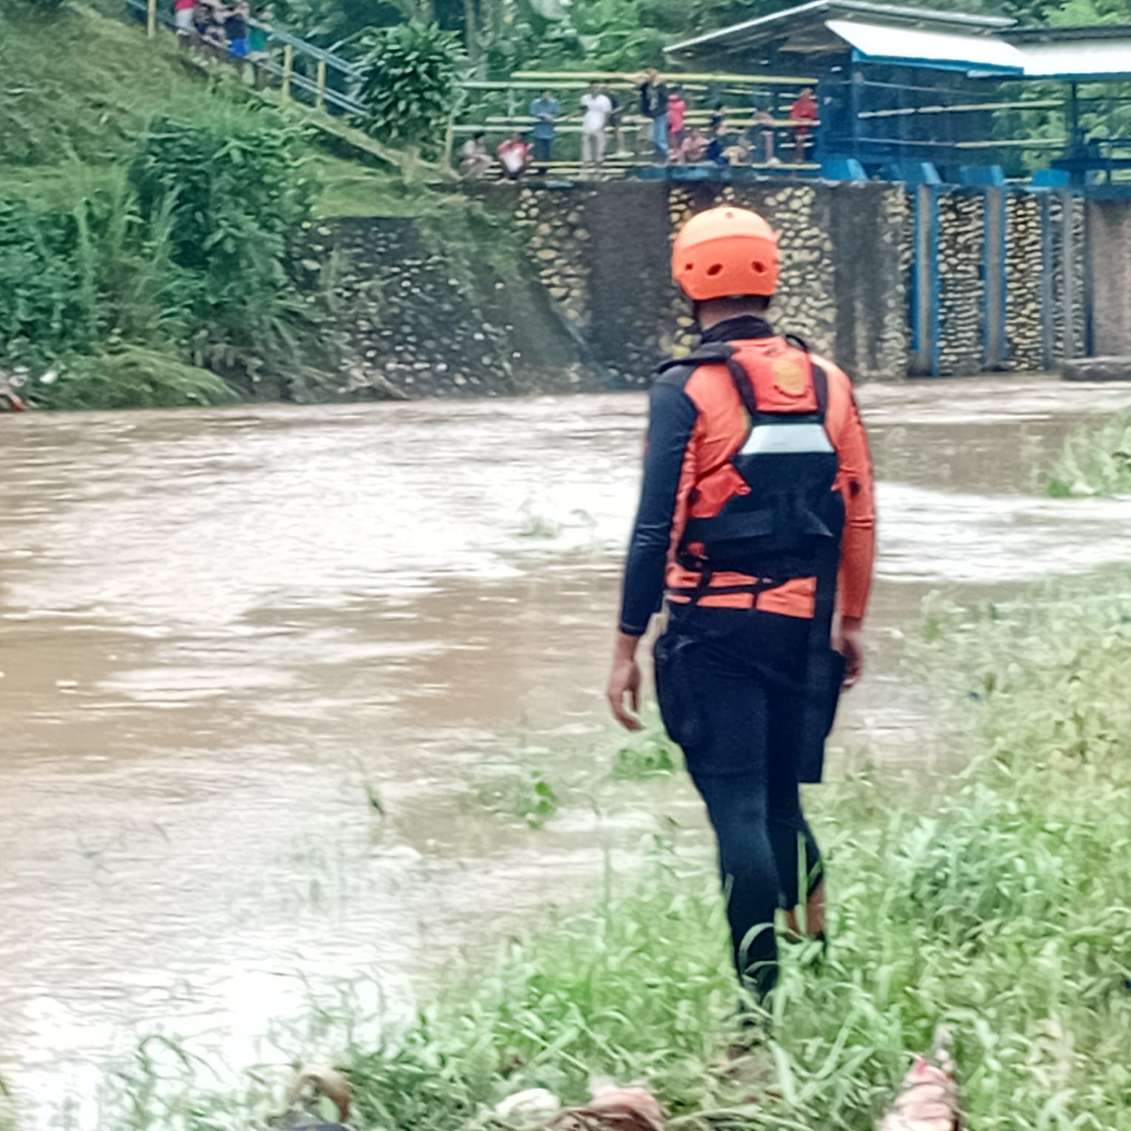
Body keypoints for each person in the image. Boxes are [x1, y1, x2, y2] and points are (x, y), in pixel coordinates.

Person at [606, 206, 876, 1011]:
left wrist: (625, 643)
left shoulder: (685, 389)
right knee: (781, 802)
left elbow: (655, 526)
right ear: (769, 274)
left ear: (687, 280)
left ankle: (759, 1005)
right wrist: (849, 621)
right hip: (802, 627)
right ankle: (816, 969)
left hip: (712, 632)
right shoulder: (828, 383)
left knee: (738, 811)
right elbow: (857, 513)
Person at [580, 81, 613, 174]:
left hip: (599, 124)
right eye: (593, 88)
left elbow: (607, 113)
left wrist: (604, 125)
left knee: (600, 147)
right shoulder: (584, 98)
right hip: (587, 124)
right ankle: (586, 167)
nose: (595, 89)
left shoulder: (605, 99)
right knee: (586, 146)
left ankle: (599, 168)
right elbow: (582, 110)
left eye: (597, 88)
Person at [639, 68, 669, 163]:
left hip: (660, 114)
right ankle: (656, 157)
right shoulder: (646, 86)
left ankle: (664, 157)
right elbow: (638, 88)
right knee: (652, 138)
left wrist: (657, 87)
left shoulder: (662, 86)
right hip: (649, 114)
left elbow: (665, 98)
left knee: (660, 138)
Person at [528, 90, 560, 164]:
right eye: (544, 95)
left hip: (550, 131)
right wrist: (543, 116)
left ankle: (546, 168)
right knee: (539, 153)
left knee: (548, 153)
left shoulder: (554, 103)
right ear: (541, 95)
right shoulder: (535, 103)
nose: (546, 96)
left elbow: (556, 115)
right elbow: (533, 114)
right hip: (538, 132)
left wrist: (550, 118)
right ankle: (539, 168)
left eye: (548, 95)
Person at [790, 86, 819, 163]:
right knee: (799, 138)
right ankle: (799, 158)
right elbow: (794, 117)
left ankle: (815, 158)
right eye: (804, 93)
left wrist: (809, 121)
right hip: (799, 129)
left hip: (811, 129)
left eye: (808, 93)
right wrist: (802, 120)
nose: (806, 95)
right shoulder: (796, 104)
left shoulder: (813, 105)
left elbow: (815, 117)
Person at [667, 86, 687, 155]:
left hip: (677, 124)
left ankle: (677, 152)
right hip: (673, 124)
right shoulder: (670, 102)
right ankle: (675, 151)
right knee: (674, 139)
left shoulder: (681, 103)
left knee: (678, 140)